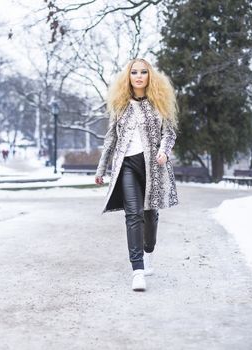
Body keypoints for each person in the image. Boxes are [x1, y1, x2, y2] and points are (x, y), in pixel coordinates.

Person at [94, 58, 179, 292]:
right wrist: (102, 168)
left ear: (150, 76)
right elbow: (111, 138)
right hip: (127, 166)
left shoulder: (158, 104)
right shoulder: (121, 106)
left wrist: (163, 151)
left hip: (153, 167)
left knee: (150, 216)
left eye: (143, 72)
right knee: (134, 215)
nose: (139, 76)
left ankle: (148, 252)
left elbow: (169, 133)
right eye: (134, 72)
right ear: (128, 77)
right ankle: (137, 271)